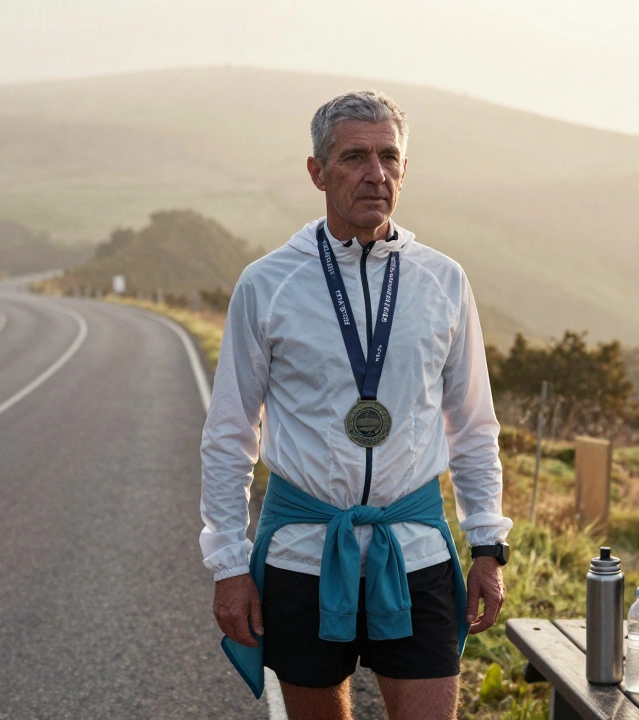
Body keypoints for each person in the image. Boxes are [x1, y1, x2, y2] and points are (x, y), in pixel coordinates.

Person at [200, 90, 512, 720]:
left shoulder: (443, 280)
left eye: (389, 157)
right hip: (302, 553)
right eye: (355, 157)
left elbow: (474, 423)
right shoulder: (269, 284)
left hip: (418, 549)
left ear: (404, 168)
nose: (376, 174)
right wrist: (229, 564)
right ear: (317, 171)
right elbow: (230, 431)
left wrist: (486, 545)